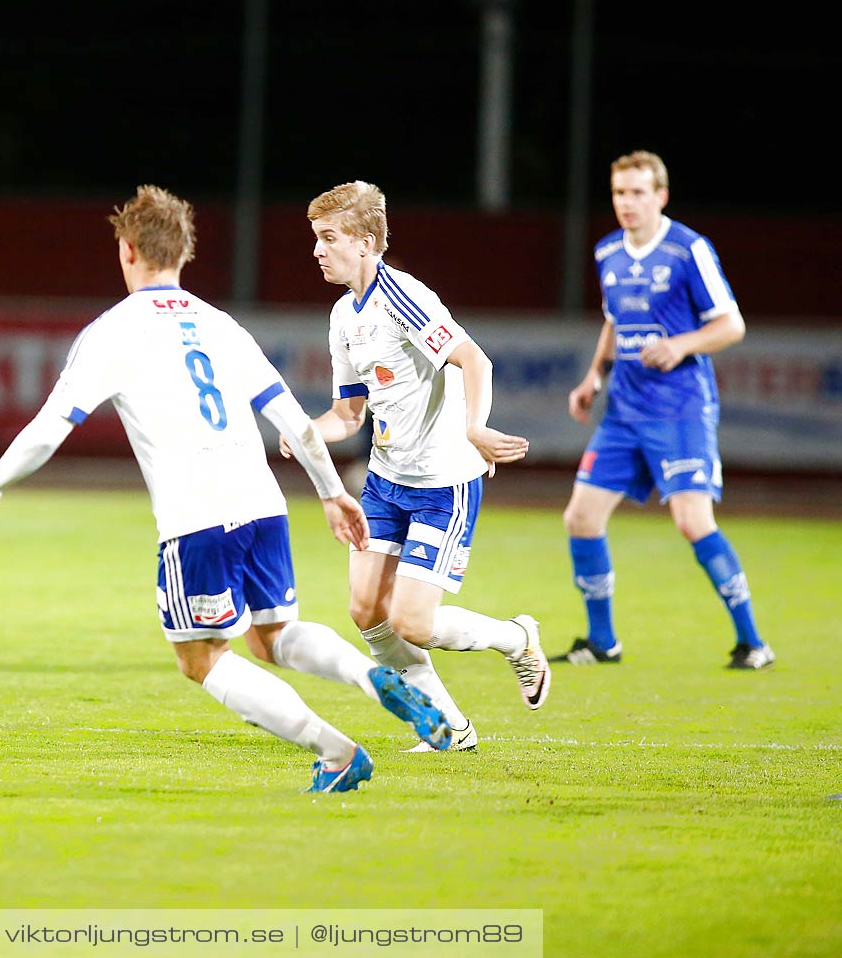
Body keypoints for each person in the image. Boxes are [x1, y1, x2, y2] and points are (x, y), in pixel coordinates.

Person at [0, 185, 452, 795]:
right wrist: (329, 494)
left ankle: (337, 750)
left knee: (202, 659)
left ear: (128, 251)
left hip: (196, 517)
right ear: (184, 253)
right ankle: (374, 680)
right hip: (264, 504)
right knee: (272, 637)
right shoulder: (220, 324)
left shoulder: (114, 330)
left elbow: (51, 426)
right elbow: (293, 421)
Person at [293, 181, 551, 753]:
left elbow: (473, 358)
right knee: (365, 611)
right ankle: (450, 730)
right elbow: (348, 413)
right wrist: (309, 431)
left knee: (412, 623)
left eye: (327, 238)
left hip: (443, 483)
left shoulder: (401, 296)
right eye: (316, 238)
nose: (317, 250)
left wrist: (475, 427)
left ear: (366, 243)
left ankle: (516, 637)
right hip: (386, 481)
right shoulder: (342, 315)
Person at [560, 151, 770, 669]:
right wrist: (594, 375)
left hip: (679, 409)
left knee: (692, 522)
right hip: (624, 411)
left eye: (636, 193)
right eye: (618, 193)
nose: (626, 203)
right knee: (581, 518)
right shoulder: (608, 250)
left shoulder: (687, 250)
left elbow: (731, 323)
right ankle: (603, 641)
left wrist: (681, 345)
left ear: (661, 196)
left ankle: (753, 643)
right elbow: (613, 321)